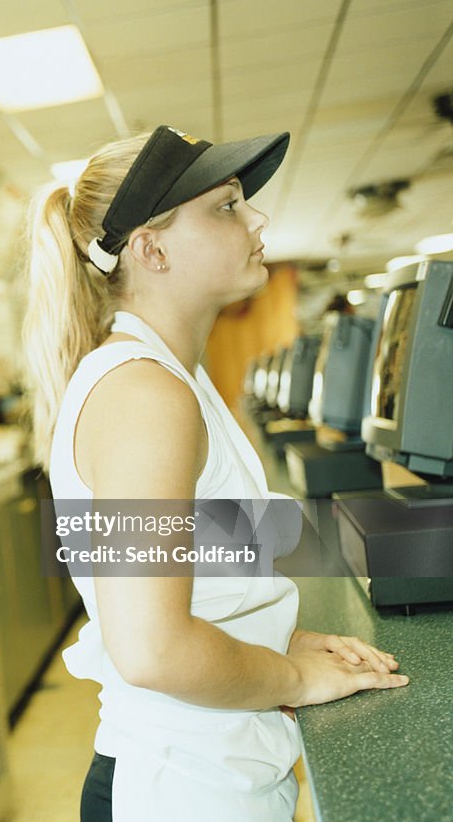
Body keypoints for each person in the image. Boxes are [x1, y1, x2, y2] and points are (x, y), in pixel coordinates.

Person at [21, 125, 409, 821]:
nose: (256, 218)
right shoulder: (145, 394)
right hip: (176, 791)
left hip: (213, 775)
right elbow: (152, 646)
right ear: (152, 248)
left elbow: (200, 582)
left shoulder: (174, 381)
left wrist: (278, 638)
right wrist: (294, 675)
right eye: (226, 206)